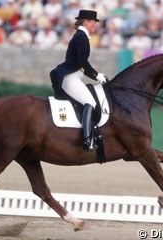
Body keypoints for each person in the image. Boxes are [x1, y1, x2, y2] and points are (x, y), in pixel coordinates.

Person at [50, 10, 107, 151]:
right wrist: (96, 75)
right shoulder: (81, 37)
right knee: (91, 103)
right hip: (70, 77)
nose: (95, 25)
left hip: (74, 76)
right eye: (93, 22)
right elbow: (82, 61)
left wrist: (96, 74)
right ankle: (87, 140)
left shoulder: (81, 36)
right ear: (86, 22)